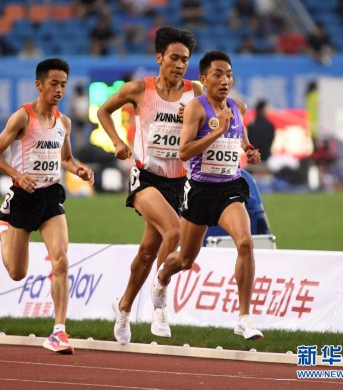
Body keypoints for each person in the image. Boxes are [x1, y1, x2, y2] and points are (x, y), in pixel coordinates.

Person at [96, 26, 203, 345]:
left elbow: (214, 123)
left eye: (185, 59)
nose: (180, 65)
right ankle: (160, 301)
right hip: (146, 178)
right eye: (174, 58)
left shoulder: (195, 91)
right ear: (159, 58)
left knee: (146, 253)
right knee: (174, 232)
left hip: (178, 182)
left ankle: (123, 307)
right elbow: (103, 111)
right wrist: (117, 142)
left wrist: (193, 118)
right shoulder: (138, 89)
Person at [150, 51, 264, 341]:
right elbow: (184, 152)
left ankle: (244, 318)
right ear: (203, 79)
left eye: (229, 75)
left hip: (230, 188)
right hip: (200, 191)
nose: (225, 81)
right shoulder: (196, 109)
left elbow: (241, 139)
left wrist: (250, 151)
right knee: (185, 259)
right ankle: (161, 279)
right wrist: (218, 130)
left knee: (245, 243)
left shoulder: (237, 107)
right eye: (218, 75)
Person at [0, 58, 94, 355]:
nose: (59, 90)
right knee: (17, 273)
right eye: (54, 84)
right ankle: (1, 228)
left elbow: (66, 159)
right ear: (39, 84)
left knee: (61, 260)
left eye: (63, 85)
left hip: (50, 196)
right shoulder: (22, 117)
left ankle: (58, 331)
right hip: (24, 197)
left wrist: (79, 169)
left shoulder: (64, 122)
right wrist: (18, 175)